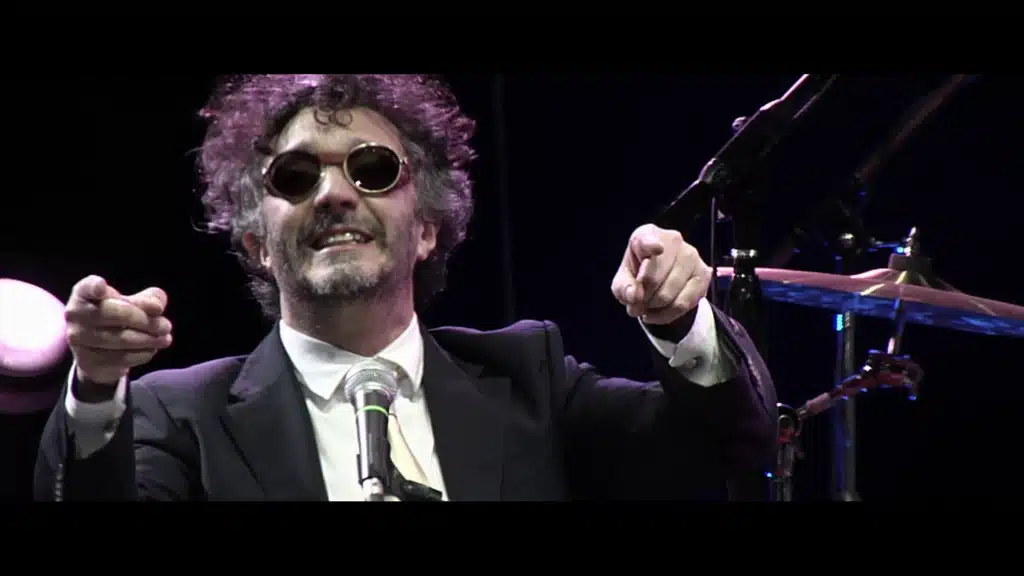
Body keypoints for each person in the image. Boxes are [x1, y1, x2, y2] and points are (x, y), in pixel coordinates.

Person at [34, 74, 778, 501]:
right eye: (295, 176)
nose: (333, 194)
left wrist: (680, 323)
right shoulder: (178, 414)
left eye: (372, 169)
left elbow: (725, 450)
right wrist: (97, 389)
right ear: (257, 244)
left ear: (425, 229)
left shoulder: (531, 379)